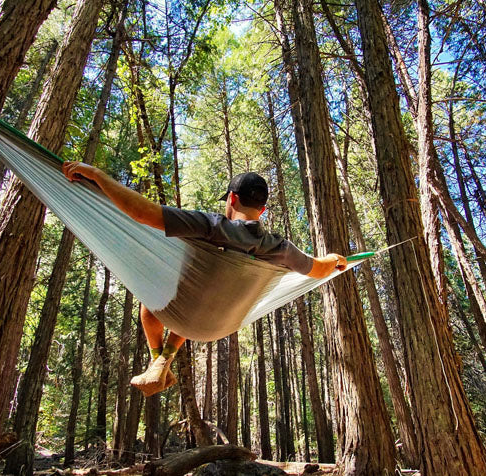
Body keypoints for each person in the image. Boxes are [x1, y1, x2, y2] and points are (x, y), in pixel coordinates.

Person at [63, 162, 347, 397]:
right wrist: (335, 258)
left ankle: (156, 356)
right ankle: (163, 362)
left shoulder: (211, 226)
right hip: (220, 327)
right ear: (261, 210)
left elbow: (142, 213)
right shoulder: (279, 248)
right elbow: (320, 269)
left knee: (150, 301)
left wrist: (97, 175)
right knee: (204, 296)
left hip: (182, 314)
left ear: (232, 199)